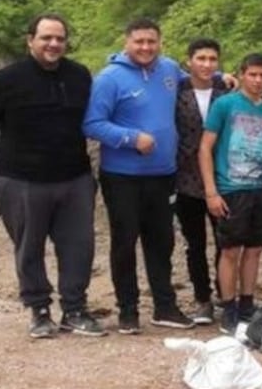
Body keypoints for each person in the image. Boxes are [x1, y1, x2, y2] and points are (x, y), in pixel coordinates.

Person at [0, 13, 105, 338]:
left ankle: (75, 310)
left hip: (74, 178)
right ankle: (39, 311)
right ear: (30, 40)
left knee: (79, 247)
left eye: (59, 38)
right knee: (28, 248)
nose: (54, 44)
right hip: (22, 180)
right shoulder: (5, 79)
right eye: (46, 38)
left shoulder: (79, 75)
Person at [82, 18, 195, 334]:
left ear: (160, 42)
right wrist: (131, 138)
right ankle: (128, 310)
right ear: (127, 42)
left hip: (164, 174)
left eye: (151, 42)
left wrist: (221, 78)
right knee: (124, 241)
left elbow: (194, 80)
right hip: (122, 177)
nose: (146, 48)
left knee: (162, 241)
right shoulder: (109, 79)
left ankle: (165, 306)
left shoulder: (169, 69)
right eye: (139, 42)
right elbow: (91, 124)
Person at [199, 53, 262, 335]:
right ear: (242, 74)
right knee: (230, 250)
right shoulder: (224, 105)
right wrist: (211, 191)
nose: (258, 80)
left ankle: (247, 303)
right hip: (232, 188)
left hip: (261, 186)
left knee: (255, 249)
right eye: (253, 74)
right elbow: (205, 148)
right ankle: (229, 306)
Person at [174, 38, 229, 325]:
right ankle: (202, 299)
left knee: (226, 240)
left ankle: (226, 292)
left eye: (212, 59)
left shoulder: (227, 91)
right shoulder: (176, 92)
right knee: (194, 243)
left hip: (224, 177)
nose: (206, 64)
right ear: (189, 61)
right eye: (201, 59)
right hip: (186, 178)